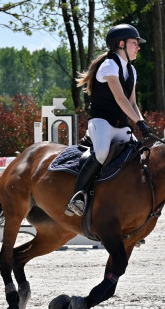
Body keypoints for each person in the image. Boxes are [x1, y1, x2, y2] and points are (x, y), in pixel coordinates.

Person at [65, 24, 152, 217]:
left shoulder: (132, 70)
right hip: (101, 122)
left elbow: (132, 102)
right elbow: (120, 98)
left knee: (141, 155)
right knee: (102, 152)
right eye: (134, 43)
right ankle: (77, 196)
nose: (138, 47)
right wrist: (138, 123)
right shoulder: (109, 65)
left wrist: (142, 122)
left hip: (120, 125)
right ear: (121, 44)